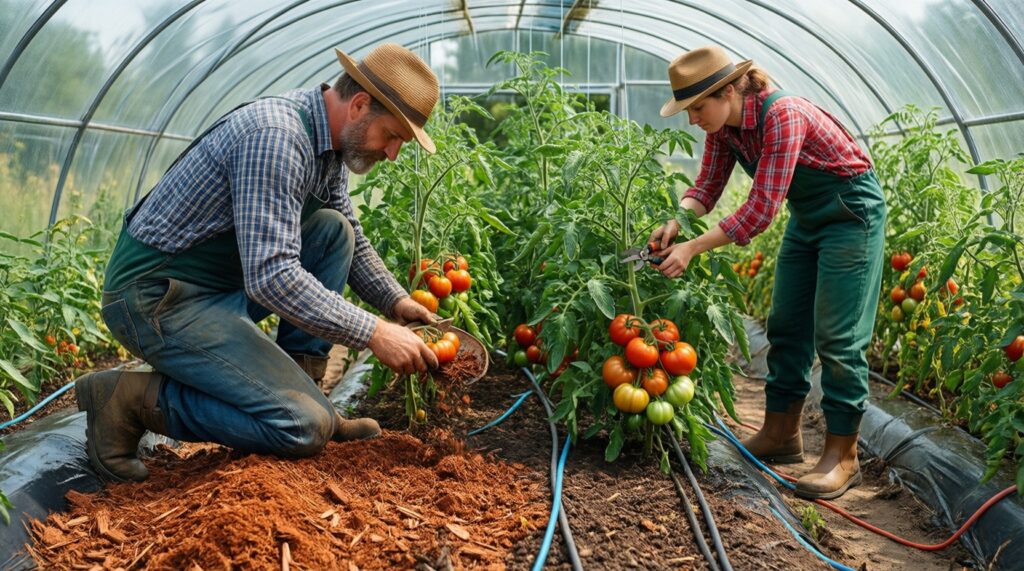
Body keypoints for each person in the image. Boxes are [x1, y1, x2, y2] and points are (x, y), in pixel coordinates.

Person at [75, 44, 444, 483]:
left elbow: (350, 232)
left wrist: (396, 302)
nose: (393, 153)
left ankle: (308, 397)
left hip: (217, 290)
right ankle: (128, 399)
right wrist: (374, 332)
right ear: (359, 105)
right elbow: (272, 276)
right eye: (392, 135)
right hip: (157, 299)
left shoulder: (328, 146)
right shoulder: (277, 138)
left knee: (331, 231)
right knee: (301, 427)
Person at [649, 46, 886, 499]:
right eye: (688, 110)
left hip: (851, 214)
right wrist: (676, 219)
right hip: (808, 217)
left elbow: (760, 211)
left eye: (698, 107)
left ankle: (844, 455)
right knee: (786, 324)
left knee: (839, 335)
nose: (693, 118)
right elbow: (706, 187)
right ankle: (781, 434)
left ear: (728, 91)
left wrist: (694, 247)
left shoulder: (784, 115)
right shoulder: (725, 129)